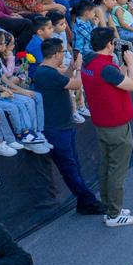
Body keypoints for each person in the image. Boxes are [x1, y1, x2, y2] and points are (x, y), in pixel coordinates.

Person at [31, 37, 105, 215]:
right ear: (56, 54)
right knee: (69, 168)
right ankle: (89, 201)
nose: (63, 55)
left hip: (63, 126)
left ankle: (83, 203)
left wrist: (71, 68)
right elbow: (76, 84)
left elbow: (62, 81)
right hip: (56, 129)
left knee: (74, 166)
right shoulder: (46, 73)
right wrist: (79, 68)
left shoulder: (48, 72)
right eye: (63, 53)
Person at [80, 27, 133, 227]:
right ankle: (115, 215)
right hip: (116, 124)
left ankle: (109, 207)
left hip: (102, 122)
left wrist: (121, 67)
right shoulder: (104, 68)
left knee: (106, 166)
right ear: (109, 44)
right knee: (117, 171)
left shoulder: (88, 62)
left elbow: (113, 80)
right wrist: (131, 64)